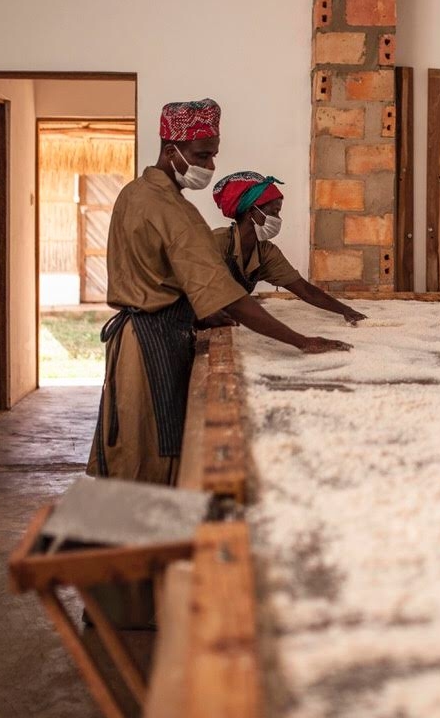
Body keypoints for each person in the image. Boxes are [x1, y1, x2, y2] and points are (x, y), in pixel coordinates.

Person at [88, 99, 351, 486]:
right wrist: (299, 340)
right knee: (153, 453)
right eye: (202, 155)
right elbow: (227, 297)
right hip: (152, 342)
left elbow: (164, 277)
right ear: (170, 149)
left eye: (213, 156)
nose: (209, 166)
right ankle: (152, 541)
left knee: (132, 448)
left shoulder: (135, 192)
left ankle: (139, 532)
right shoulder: (176, 213)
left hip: (138, 335)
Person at [210, 170, 368, 325]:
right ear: (252, 211)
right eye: (274, 212)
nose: (278, 219)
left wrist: (346, 311)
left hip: (223, 322)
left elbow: (305, 290)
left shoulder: (265, 252)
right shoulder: (216, 243)